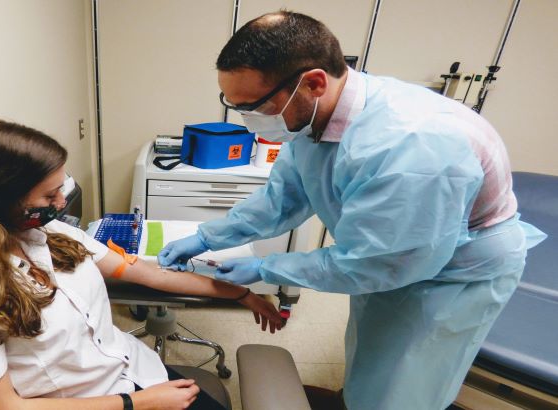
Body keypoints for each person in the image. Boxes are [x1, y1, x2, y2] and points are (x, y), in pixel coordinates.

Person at [158, 11, 547, 410]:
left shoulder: (411, 146)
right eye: (235, 104)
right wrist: (208, 236)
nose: (249, 120)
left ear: (312, 82)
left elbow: (379, 264)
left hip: (450, 275)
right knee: (372, 352)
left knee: (407, 383)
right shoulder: (313, 116)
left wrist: (269, 269)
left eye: (254, 106)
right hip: (393, 254)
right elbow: (282, 199)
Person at [0, 117, 283, 410]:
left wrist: (244, 292)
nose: (61, 204)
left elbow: (146, 274)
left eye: (62, 188)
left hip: (135, 373)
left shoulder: (52, 236)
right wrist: (134, 404)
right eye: (49, 195)